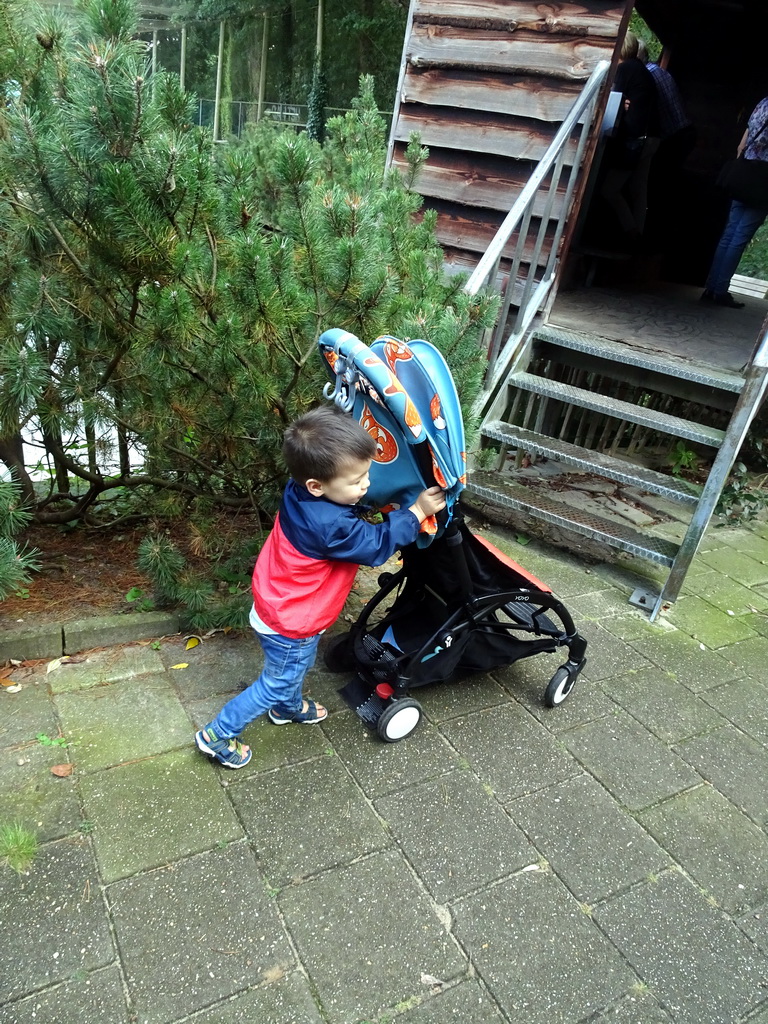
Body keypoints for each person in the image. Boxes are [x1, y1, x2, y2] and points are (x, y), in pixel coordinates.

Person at [194, 405, 446, 768]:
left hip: (277, 602)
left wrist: (355, 491)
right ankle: (217, 734)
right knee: (279, 679)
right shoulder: (331, 527)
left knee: (292, 669)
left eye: (366, 475)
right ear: (317, 484)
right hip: (292, 621)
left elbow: (346, 511)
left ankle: (286, 708)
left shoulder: (300, 491)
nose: (367, 485)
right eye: (356, 481)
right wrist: (416, 513)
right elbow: (375, 546)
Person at [702, 95, 768, 308]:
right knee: (740, 237)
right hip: (763, 180)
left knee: (729, 234)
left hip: (745, 173)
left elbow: (743, 143)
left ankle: (711, 287)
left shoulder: (763, 103)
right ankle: (721, 290)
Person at [600, 31, 661, 244]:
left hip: (632, 142)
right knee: (637, 191)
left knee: (609, 190)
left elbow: (610, 97)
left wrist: (619, 100)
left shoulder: (626, 69)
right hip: (645, 140)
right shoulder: (641, 71)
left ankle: (632, 234)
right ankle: (637, 237)